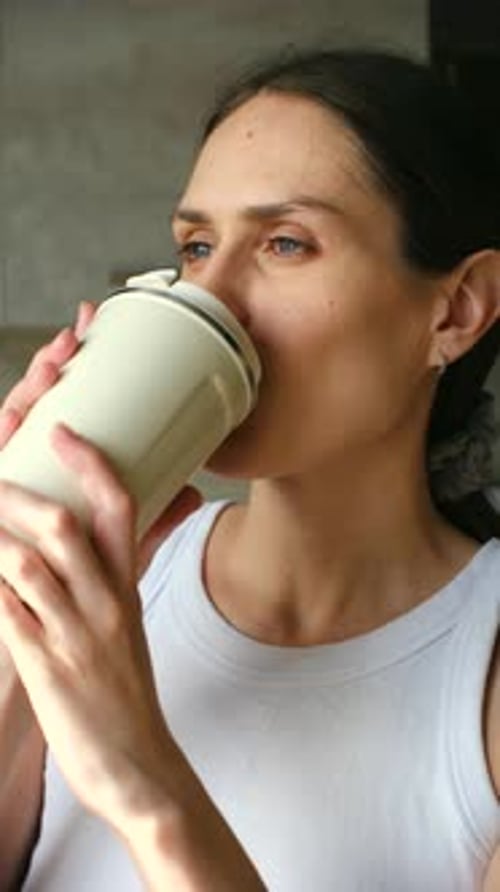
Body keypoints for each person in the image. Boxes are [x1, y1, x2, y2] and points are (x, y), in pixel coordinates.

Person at [0, 46, 499, 892]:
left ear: (455, 309)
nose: (212, 295)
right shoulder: (106, 590)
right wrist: (22, 602)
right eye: (196, 247)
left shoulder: (481, 669)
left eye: (286, 243)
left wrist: (145, 784)